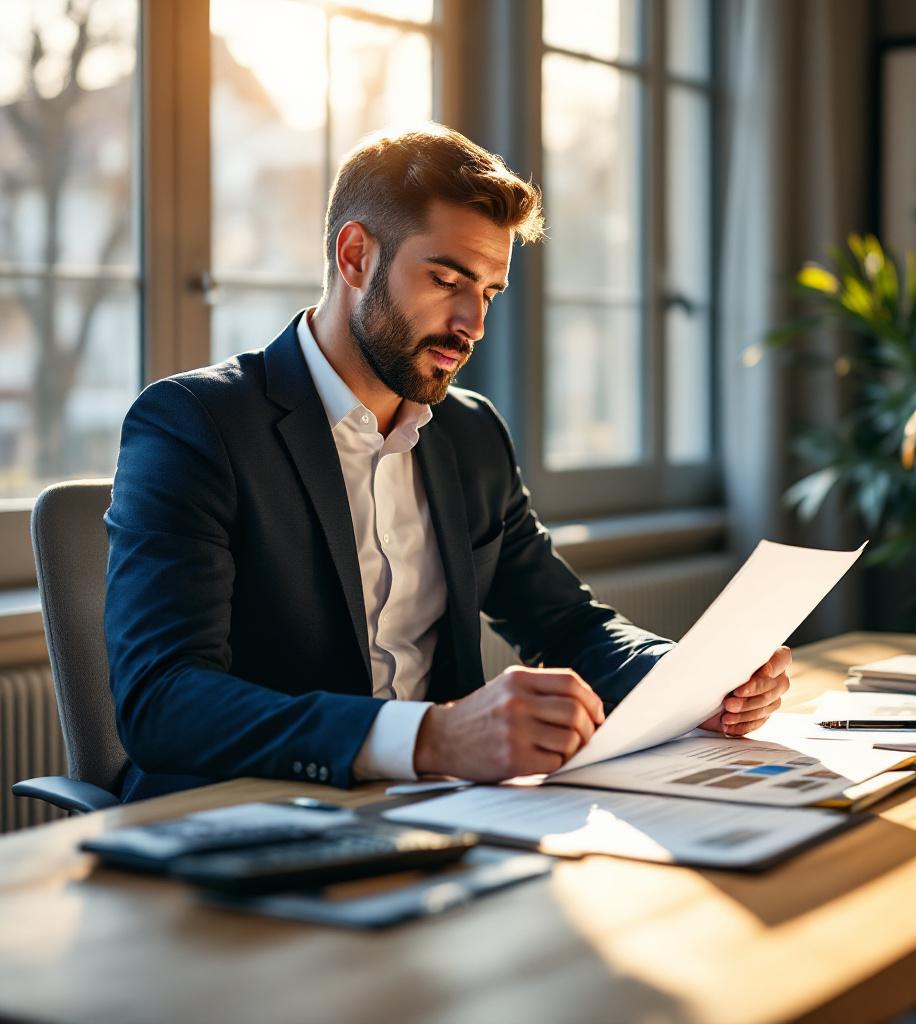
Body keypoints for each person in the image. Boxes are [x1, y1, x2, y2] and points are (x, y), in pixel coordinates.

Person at [104, 124, 790, 802]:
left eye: (490, 291)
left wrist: (688, 679)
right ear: (355, 258)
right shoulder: (196, 425)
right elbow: (163, 701)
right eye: (446, 279)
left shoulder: (470, 433)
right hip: (246, 821)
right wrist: (429, 738)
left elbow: (568, 625)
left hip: (441, 816)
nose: (473, 323)